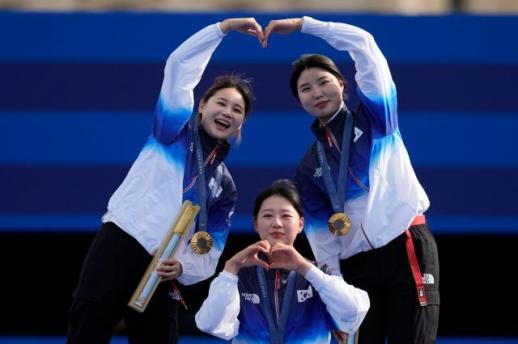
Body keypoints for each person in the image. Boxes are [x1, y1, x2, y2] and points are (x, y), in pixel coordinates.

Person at [67, 18, 263, 344]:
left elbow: (210, 245)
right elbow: (179, 65)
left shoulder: (225, 186)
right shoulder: (171, 132)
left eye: (238, 109)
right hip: (121, 244)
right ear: (201, 106)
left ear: (242, 123)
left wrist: (183, 267)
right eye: (221, 102)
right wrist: (223, 29)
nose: (228, 112)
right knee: (87, 332)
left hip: (164, 269)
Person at [260, 17, 440, 343]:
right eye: (305, 89)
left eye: (323, 82)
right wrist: (335, 301)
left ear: (342, 84)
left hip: (406, 246)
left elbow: (365, 45)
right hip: (356, 268)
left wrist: (303, 24)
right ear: (300, 102)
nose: (316, 92)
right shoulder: (309, 166)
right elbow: (323, 243)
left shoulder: (376, 118)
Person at [195, 179, 370, 343]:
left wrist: (305, 268)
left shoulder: (319, 274)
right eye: (268, 216)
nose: (277, 223)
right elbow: (210, 324)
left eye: (286, 216)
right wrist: (231, 268)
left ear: (300, 224)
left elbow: (355, 311)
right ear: (256, 224)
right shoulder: (238, 277)